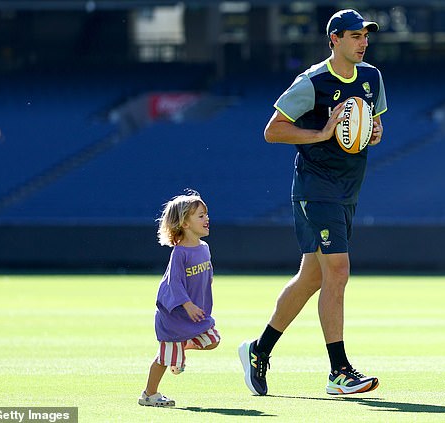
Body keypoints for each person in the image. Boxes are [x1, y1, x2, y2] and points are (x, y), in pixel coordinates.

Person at [239, 9, 387, 396]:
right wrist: (322, 132)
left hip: (348, 188)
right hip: (315, 187)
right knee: (337, 270)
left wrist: (373, 131)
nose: (363, 41)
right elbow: (272, 131)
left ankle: (258, 350)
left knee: (313, 277)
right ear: (334, 39)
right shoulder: (313, 81)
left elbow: (373, 124)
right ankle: (339, 372)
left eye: (365, 36)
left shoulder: (372, 77)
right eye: (355, 36)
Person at [139, 190, 220, 407]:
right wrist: (187, 303)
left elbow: (206, 275)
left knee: (213, 340)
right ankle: (149, 394)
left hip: (193, 314)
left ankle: (180, 348)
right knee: (165, 359)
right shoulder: (180, 253)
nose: (206, 219)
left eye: (206, 214)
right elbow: (173, 283)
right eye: (200, 216)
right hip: (174, 316)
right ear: (184, 223)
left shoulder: (204, 248)